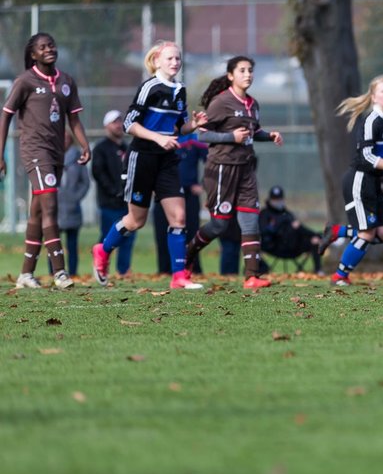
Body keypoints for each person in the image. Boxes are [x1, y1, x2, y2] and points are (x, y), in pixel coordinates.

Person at [92, 41, 207, 290]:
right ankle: (102, 249)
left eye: (178, 58)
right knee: (136, 221)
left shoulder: (180, 89)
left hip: (167, 161)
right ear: (156, 61)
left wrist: (195, 125)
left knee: (179, 217)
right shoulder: (150, 87)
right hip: (142, 158)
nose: (175, 62)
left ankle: (179, 276)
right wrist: (158, 138)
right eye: (169, 58)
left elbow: (178, 127)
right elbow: (129, 123)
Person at [0, 33, 91, 289]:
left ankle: (26, 274)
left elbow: (73, 118)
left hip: (56, 153)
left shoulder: (66, 81)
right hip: (35, 151)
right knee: (51, 206)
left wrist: (84, 144)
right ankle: (60, 272)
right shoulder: (25, 81)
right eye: (43, 47)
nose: (49, 49)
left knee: (38, 211)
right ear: (33, 54)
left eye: (52, 45)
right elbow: (5, 115)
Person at [183, 56, 283, 289]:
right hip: (221, 170)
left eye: (250, 70)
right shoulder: (221, 102)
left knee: (250, 222)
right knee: (219, 225)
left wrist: (269, 136)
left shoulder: (253, 104)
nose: (247, 74)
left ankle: (251, 277)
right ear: (231, 75)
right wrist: (231, 137)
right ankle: (187, 257)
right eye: (242, 70)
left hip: (246, 168)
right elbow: (203, 135)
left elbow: (252, 131)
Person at [317, 75, 383, 286]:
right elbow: (366, 157)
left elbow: (382, 154)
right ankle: (340, 276)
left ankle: (337, 231)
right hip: (359, 181)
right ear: (374, 97)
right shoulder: (371, 120)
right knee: (367, 233)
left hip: (375, 181)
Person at [152, 134, 207, 273]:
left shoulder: (193, 139)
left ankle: (192, 269)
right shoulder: (158, 136)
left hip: (188, 194)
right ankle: (165, 270)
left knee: (191, 233)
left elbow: (211, 161)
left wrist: (203, 184)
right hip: (163, 193)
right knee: (162, 233)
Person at [91, 110, 136, 276]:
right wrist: (113, 191)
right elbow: (98, 172)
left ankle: (123, 270)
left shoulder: (127, 147)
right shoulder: (101, 148)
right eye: (114, 122)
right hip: (109, 202)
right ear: (106, 126)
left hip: (127, 201)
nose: (118, 125)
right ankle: (101, 267)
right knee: (108, 235)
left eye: (119, 122)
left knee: (128, 237)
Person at [51, 132, 92, 278]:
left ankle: (73, 273)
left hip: (73, 208)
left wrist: (75, 197)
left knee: (72, 245)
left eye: (67, 138)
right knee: (54, 244)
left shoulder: (78, 159)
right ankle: (54, 272)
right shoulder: (52, 157)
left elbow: (85, 183)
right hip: (55, 208)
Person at [260, 185, 323, 273]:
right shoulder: (264, 214)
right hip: (275, 247)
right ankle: (319, 235)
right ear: (270, 200)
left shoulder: (286, 213)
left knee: (313, 240)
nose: (278, 202)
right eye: (275, 200)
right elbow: (264, 231)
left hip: (292, 246)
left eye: (279, 199)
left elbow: (298, 228)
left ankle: (318, 270)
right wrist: (282, 225)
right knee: (295, 227)